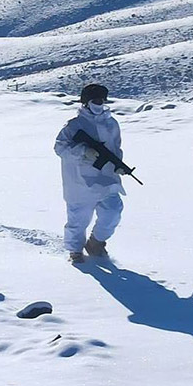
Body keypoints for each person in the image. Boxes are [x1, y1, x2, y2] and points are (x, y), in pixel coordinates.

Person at [54, 84, 125, 264]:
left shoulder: (111, 123)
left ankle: (96, 243)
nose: (100, 104)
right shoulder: (74, 125)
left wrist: (119, 165)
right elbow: (60, 148)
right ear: (86, 102)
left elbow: (116, 148)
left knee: (113, 211)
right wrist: (82, 151)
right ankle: (75, 251)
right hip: (79, 181)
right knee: (78, 219)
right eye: (96, 100)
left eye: (102, 100)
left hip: (107, 178)